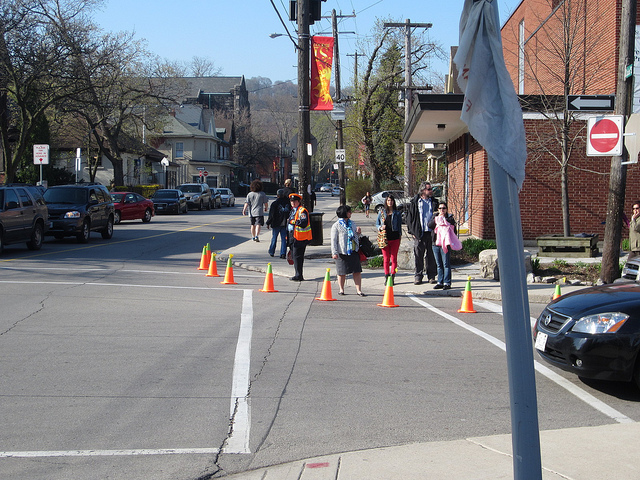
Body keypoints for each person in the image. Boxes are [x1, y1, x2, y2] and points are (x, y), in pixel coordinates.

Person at [405, 181, 439, 285]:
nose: (431, 191)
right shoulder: (415, 203)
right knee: (418, 255)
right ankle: (418, 276)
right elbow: (409, 218)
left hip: (431, 232)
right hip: (419, 233)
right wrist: (412, 231)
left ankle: (431, 276)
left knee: (431, 255)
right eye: (429, 189)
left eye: (431, 189)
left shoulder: (434, 202)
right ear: (423, 190)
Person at [331, 205, 366, 296]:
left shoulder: (352, 224)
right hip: (342, 252)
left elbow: (355, 237)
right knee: (341, 272)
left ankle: (359, 290)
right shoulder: (336, 226)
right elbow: (334, 240)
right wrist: (334, 252)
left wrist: (358, 233)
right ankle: (341, 289)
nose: (351, 213)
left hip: (353, 250)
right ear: (344, 213)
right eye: (349, 212)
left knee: (357, 271)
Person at [428, 202, 460, 290]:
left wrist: (444, 220)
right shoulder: (435, 217)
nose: (442, 210)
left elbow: (454, 231)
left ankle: (447, 282)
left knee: (446, 264)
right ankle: (440, 282)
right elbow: (429, 225)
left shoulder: (449, 218)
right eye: (440, 208)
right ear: (438, 209)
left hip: (445, 244)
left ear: (446, 209)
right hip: (436, 243)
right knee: (439, 264)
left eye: (444, 208)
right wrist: (437, 218)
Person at [376, 194, 402, 285]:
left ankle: (393, 275)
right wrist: (380, 227)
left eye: (391, 200)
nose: (390, 202)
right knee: (386, 259)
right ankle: (386, 276)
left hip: (395, 238)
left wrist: (400, 236)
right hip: (385, 238)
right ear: (386, 202)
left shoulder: (397, 213)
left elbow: (399, 226)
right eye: (388, 200)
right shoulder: (382, 212)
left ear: (393, 202)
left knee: (394, 258)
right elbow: (377, 224)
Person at [287, 193, 312, 281]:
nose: (293, 203)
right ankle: (297, 273)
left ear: (299, 202)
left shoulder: (302, 210)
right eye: (291, 201)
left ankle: (299, 275)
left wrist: (293, 222)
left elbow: (303, 223)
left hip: (300, 238)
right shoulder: (293, 210)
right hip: (293, 237)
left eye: (295, 201)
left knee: (297, 257)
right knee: (295, 256)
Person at [266, 189, 291, 258]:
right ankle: (283, 253)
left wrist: (268, 222)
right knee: (284, 239)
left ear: (277, 195)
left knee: (274, 238)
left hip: (276, 223)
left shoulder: (275, 204)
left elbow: (271, 215)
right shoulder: (288, 203)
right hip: (285, 223)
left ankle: (272, 251)